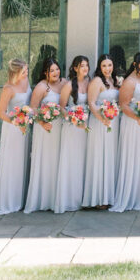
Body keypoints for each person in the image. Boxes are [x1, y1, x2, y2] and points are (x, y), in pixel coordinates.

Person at [109, 51, 140, 212]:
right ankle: (131, 196)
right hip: (134, 124)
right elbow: (123, 105)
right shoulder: (130, 81)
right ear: (135, 64)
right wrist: (137, 117)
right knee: (134, 157)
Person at [0, 57, 31, 214]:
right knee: (13, 164)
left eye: (27, 70)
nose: (26, 73)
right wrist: (17, 123)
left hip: (25, 127)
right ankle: (9, 201)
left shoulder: (26, 82)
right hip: (13, 128)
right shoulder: (8, 88)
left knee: (23, 162)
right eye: (23, 71)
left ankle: (20, 199)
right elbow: (1, 113)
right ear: (15, 72)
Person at [24, 57, 64, 213]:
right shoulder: (41, 87)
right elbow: (32, 109)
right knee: (46, 162)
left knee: (57, 162)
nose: (55, 73)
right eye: (51, 70)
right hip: (45, 129)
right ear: (45, 73)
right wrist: (42, 121)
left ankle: (56, 198)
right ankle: (42, 200)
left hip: (59, 128)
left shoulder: (64, 83)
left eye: (57, 69)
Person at [83, 53, 120, 209]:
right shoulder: (96, 81)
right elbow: (91, 103)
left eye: (109, 65)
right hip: (100, 123)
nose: (107, 69)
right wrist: (102, 118)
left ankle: (109, 196)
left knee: (110, 157)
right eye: (104, 66)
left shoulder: (115, 81)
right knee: (100, 156)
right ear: (99, 67)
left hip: (113, 122)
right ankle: (98, 198)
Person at [54, 55, 90, 213]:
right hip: (72, 127)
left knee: (84, 161)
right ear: (75, 68)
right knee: (72, 161)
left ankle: (83, 197)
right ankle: (69, 199)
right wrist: (73, 118)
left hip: (86, 127)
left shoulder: (89, 82)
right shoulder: (69, 85)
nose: (85, 68)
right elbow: (61, 107)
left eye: (87, 65)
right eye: (82, 66)